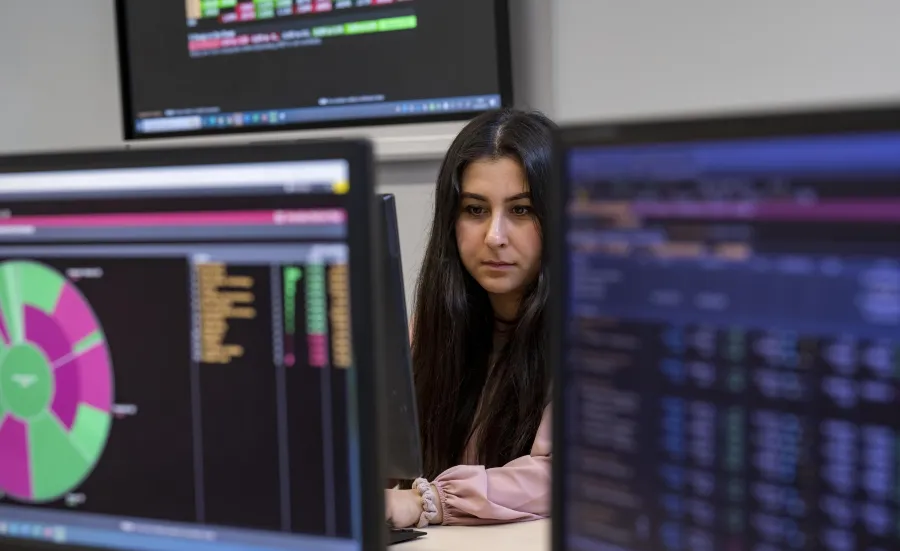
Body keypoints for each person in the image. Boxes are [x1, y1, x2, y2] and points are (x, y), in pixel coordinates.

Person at [385, 108, 555, 528]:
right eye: (476, 210)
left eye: (521, 210)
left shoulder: (597, 336)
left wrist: (428, 502)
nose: (494, 236)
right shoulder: (429, 328)